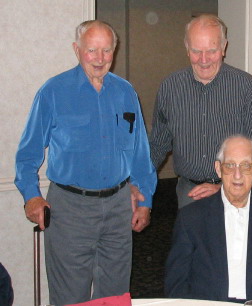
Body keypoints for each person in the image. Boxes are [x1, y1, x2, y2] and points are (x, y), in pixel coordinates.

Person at [15, 20, 157, 305]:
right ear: (76, 49)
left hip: (118, 207)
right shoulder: (53, 92)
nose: (100, 59)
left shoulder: (126, 92)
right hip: (70, 210)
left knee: (115, 296)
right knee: (70, 297)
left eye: (107, 50)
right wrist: (32, 196)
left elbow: (140, 154)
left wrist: (146, 200)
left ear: (114, 52)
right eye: (92, 50)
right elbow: (27, 154)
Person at [149, 14, 252, 209]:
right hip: (190, 193)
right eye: (196, 51)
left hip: (240, 193)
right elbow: (157, 144)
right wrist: (139, 185)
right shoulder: (170, 88)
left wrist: (226, 187)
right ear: (186, 48)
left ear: (224, 47)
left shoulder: (248, 88)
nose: (204, 60)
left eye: (212, 51)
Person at [165, 135, 252, 306]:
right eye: (230, 165)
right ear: (218, 169)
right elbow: (176, 284)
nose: (238, 175)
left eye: (246, 166)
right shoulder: (191, 219)